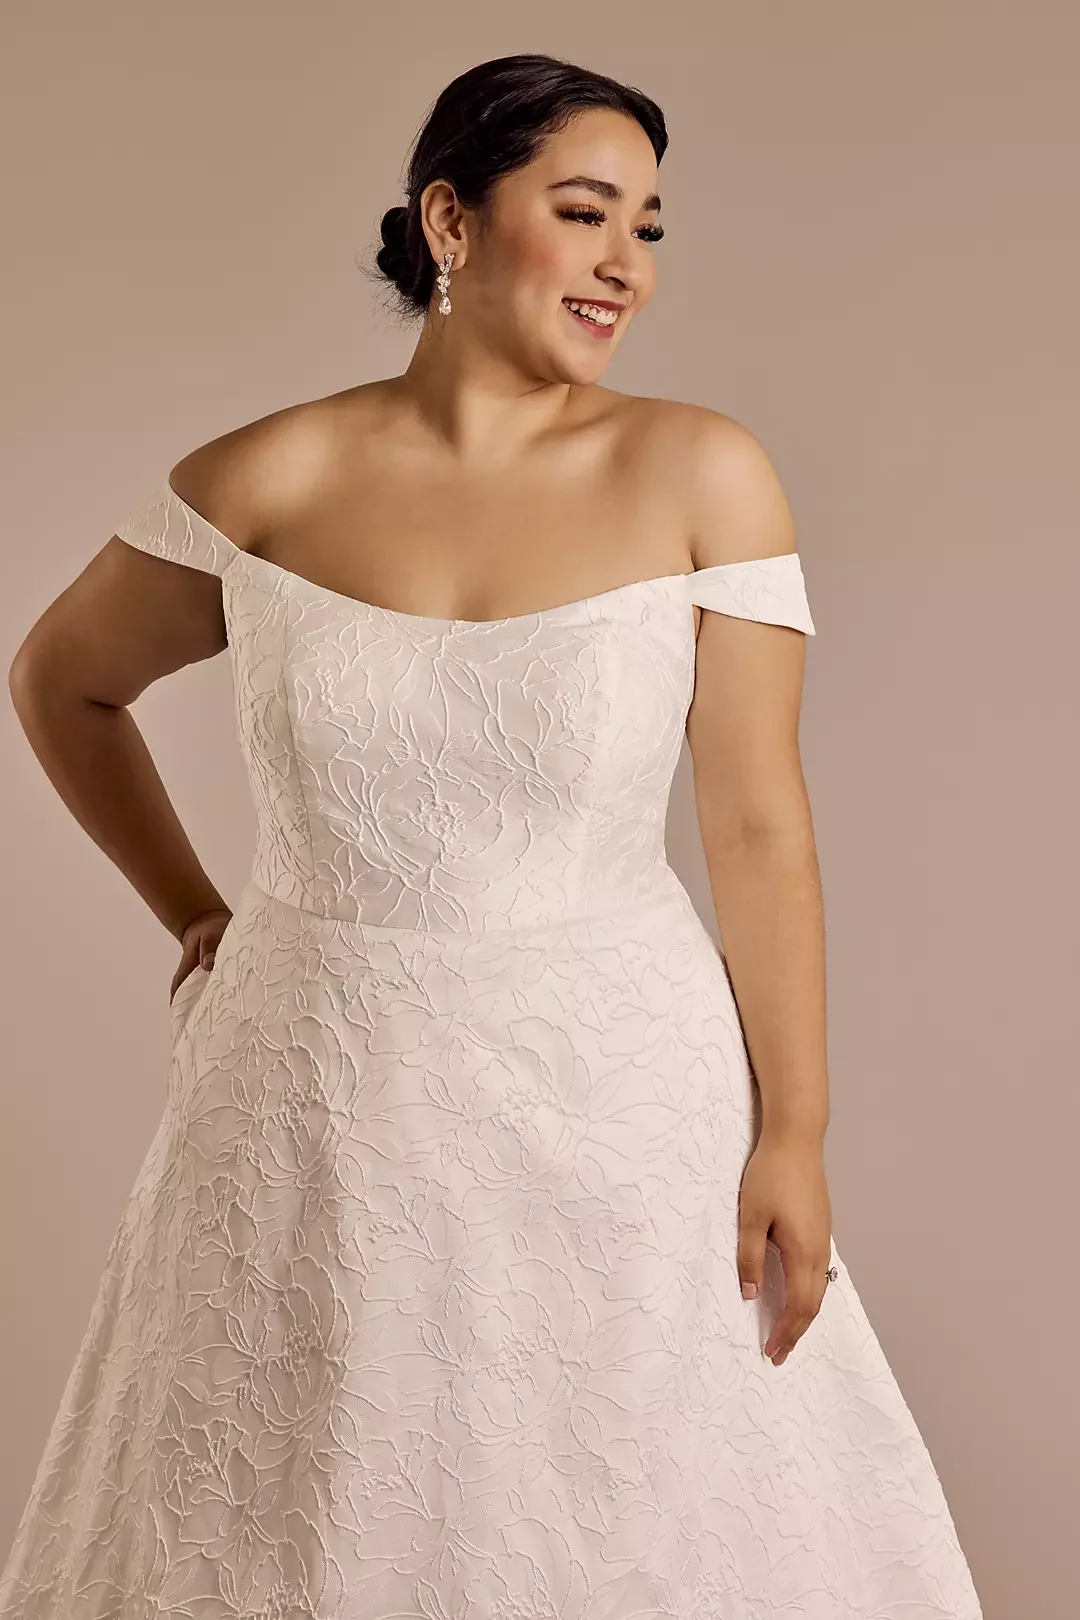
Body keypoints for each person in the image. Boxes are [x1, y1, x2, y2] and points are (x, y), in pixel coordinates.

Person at [2, 50, 982, 1620]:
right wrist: (195, 909)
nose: (625, 267)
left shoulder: (699, 473)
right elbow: (58, 682)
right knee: (304, 1500)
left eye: (649, 229)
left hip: (613, 1093)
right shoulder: (269, 477)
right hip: (311, 1089)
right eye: (584, 212)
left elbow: (755, 819)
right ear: (449, 220)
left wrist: (793, 1127)